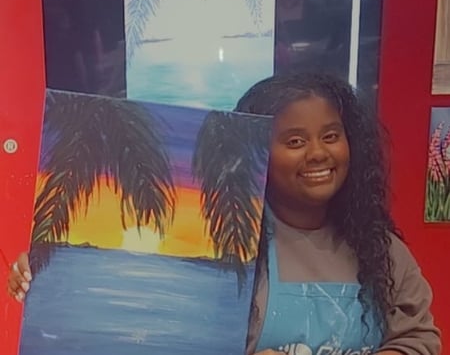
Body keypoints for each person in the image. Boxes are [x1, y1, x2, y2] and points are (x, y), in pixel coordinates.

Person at [7, 73, 441, 355]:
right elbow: (140, 331)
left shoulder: (380, 249)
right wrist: (47, 274)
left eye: (331, 136)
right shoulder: (223, 244)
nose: (318, 153)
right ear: (255, 152)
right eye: (294, 141)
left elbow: (419, 339)